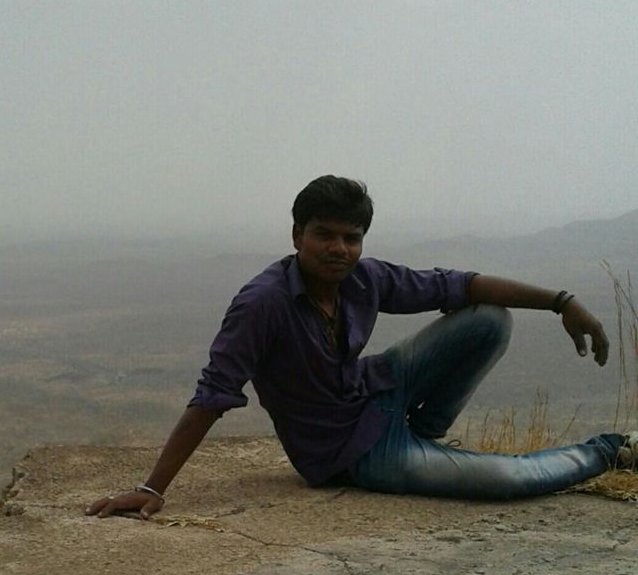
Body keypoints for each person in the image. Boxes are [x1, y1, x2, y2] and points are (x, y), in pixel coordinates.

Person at [86, 175, 636, 519]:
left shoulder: (364, 278)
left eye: (351, 238)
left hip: (378, 392)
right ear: (297, 236)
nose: (339, 249)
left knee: (489, 319)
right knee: (511, 480)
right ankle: (613, 449)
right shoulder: (263, 304)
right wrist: (151, 487)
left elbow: (460, 286)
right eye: (324, 234)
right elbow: (213, 394)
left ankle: (425, 436)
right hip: (351, 452)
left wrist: (561, 301)